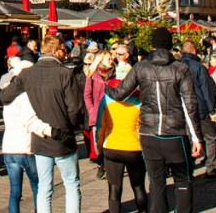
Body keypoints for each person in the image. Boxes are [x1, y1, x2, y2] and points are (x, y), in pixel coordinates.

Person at [107, 27, 202, 213]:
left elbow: (120, 94)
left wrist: (104, 86)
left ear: (152, 45)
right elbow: (189, 104)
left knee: (156, 182)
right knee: (183, 180)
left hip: (149, 133)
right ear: (170, 44)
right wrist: (196, 137)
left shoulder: (141, 68)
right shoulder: (181, 69)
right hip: (175, 133)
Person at [0, 35, 82, 213]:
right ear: (54, 50)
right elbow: (75, 108)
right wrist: (71, 128)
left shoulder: (28, 74)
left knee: (45, 187)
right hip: (63, 137)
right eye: (63, 50)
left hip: (39, 140)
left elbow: (4, 96)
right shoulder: (65, 73)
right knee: (71, 183)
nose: (65, 54)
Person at [0, 57, 51, 213]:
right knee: (37, 186)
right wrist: (49, 130)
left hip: (9, 147)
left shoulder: (7, 97)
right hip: (25, 147)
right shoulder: (26, 97)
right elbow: (31, 121)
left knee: (15, 191)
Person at [96, 62, 147, 213]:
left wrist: (99, 148)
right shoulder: (140, 100)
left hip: (112, 147)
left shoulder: (106, 99)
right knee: (138, 186)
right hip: (134, 148)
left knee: (114, 188)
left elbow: (100, 127)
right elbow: (143, 125)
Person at [179, 40, 216, 179]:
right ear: (194, 51)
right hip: (200, 108)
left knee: (190, 139)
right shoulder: (198, 67)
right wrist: (212, 111)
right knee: (211, 138)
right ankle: (211, 169)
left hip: (184, 109)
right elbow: (206, 90)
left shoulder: (176, 66)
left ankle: (188, 171)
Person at [84, 50, 115, 178]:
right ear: (101, 60)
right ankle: (101, 163)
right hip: (97, 113)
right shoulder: (93, 75)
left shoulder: (116, 73)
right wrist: (91, 110)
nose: (111, 60)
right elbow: (87, 94)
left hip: (113, 112)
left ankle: (107, 166)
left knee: (110, 141)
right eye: (108, 58)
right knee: (98, 143)